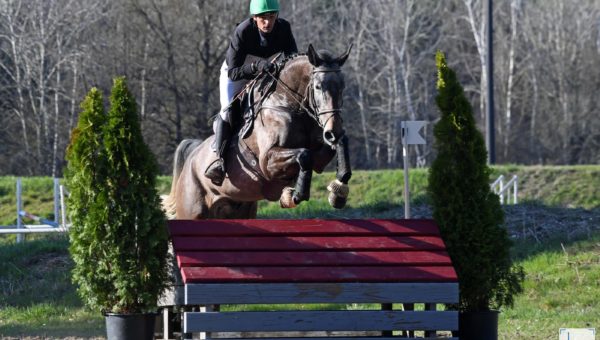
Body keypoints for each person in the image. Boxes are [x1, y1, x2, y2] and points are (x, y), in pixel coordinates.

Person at [205, 0, 298, 186]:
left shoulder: (284, 28)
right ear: (254, 18)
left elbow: (293, 58)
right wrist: (257, 66)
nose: (267, 23)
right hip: (238, 73)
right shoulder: (243, 31)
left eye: (271, 17)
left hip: (268, 71)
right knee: (228, 109)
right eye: (263, 18)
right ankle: (219, 160)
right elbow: (233, 71)